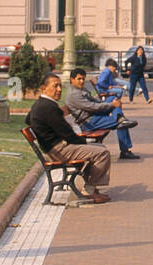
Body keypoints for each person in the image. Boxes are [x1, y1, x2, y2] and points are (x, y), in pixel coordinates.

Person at [26, 73, 112, 203]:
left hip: (52, 149)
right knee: (102, 153)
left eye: (60, 86)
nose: (59, 89)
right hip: (58, 150)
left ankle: (91, 188)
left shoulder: (39, 104)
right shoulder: (49, 108)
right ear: (44, 89)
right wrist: (85, 143)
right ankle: (89, 190)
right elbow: (69, 135)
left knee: (99, 148)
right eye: (55, 86)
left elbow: (28, 120)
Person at [65, 67, 140, 160]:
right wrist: (111, 106)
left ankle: (120, 118)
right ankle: (125, 150)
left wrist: (110, 103)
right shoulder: (73, 94)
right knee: (122, 124)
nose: (82, 81)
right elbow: (91, 106)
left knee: (113, 99)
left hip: (95, 116)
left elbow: (95, 101)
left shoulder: (81, 89)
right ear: (72, 79)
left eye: (83, 79)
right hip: (89, 122)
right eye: (79, 79)